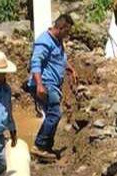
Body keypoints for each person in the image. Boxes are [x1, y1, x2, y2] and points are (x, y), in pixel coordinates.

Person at [27, 14, 74, 158]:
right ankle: (40, 145)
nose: (68, 36)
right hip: (45, 84)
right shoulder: (44, 41)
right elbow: (36, 63)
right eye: (67, 32)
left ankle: (46, 147)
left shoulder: (58, 41)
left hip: (52, 85)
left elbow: (59, 58)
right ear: (61, 28)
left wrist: (69, 68)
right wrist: (39, 85)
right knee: (55, 113)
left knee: (52, 114)